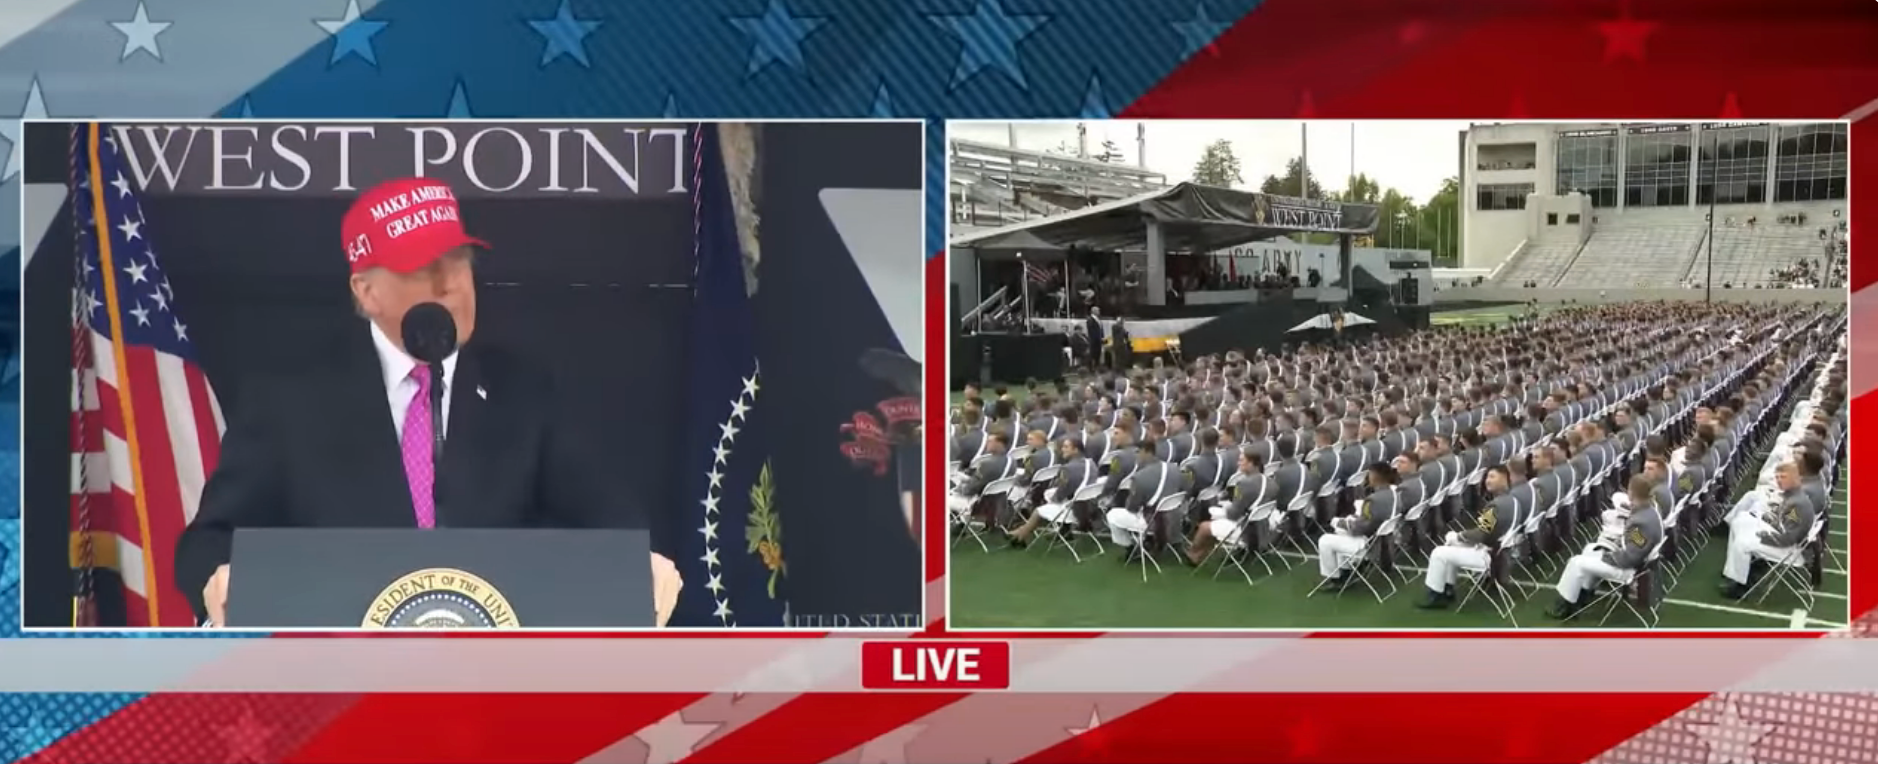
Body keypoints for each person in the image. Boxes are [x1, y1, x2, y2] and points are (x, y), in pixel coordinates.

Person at [174, 177, 680, 627]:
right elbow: (207, 542)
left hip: (495, 678)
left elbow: (612, 520)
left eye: (460, 261)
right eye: (423, 267)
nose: (450, 284)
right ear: (366, 291)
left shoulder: (523, 393)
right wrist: (221, 577)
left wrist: (641, 563)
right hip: (344, 677)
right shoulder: (292, 400)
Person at [1546, 474, 1663, 619]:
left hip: (1628, 569)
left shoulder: (1640, 522)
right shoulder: (1650, 511)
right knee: (1590, 549)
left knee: (1575, 562)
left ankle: (1564, 606)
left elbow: (1632, 556)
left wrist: (1608, 557)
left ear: (1631, 492)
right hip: (1635, 562)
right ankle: (1583, 594)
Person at [1720, 461, 1816, 599]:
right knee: (1740, 521)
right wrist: (1769, 519)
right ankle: (1735, 571)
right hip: (1780, 537)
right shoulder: (1793, 495)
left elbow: (1788, 538)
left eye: (1783, 477)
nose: (1779, 480)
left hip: (1787, 548)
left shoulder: (1797, 503)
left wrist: (1764, 536)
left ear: (1794, 478)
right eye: (1777, 477)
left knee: (1742, 543)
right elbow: (1783, 522)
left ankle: (1740, 585)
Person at [1314, 462, 1398, 584]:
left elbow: (1360, 528)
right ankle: (1347, 569)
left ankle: (1334, 578)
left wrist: (1342, 522)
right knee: (1341, 532)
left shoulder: (1373, 500)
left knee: (1325, 540)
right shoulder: (1395, 494)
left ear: (1375, 476)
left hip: (1367, 545)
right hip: (1382, 541)